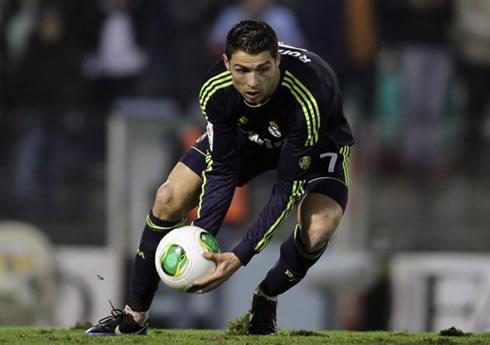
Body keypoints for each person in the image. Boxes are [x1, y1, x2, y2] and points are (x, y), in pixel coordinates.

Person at [85, 19, 354, 336]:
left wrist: (238, 257)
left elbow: (285, 189)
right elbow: (223, 170)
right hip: (247, 138)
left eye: (263, 69)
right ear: (227, 63)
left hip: (317, 142)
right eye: (242, 70)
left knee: (318, 229)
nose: (252, 82)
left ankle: (266, 296)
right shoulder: (216, 90)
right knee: (168, 197)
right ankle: (134, 316)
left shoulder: (308, 97)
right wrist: (202, 241)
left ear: (277, 60)